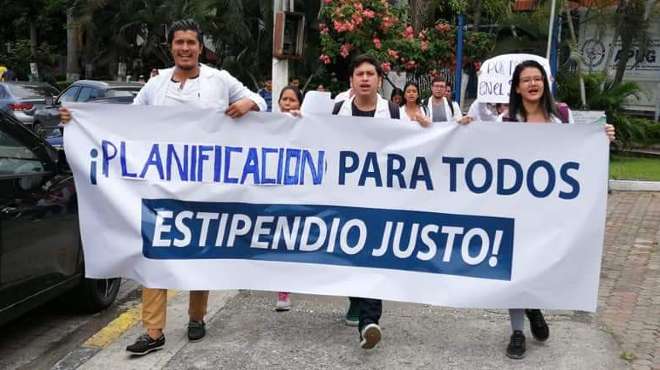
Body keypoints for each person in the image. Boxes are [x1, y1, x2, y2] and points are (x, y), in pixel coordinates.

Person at [59, 19, 266, 356]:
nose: (185, 48)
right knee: (155, 255)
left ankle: (197, 317)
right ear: (171, 47)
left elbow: (260, 101)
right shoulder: (155, 86)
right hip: (160, 190)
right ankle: (153, 331)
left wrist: (250, 104)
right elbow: (125, 123)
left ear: (200, 48)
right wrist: (79, 120)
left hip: (205, 189)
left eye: (191, 42)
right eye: (179, 42)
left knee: (200, 255)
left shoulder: (220, 80)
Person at [497, 60, 615, 359]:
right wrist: (466, 129)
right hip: (515, 210)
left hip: (551, 211)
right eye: (526, 80)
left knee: (540, 266)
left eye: (538, 79)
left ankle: (533, 306)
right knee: (515, 271)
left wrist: (602, 139)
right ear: (517, 87)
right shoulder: (505, 122)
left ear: (545, 84)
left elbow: (579, 154)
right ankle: (517, 331)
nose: (533, 84)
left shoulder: (562, 116)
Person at [332, 54, 400, 350]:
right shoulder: (337, 111)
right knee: (348, 254)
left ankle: (369, 322)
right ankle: (355, 300)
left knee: (374, 256)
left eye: (370, 74)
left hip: (380, 200)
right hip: (344, 198)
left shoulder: (395, 113)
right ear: (351, 81)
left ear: (378, 80)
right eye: (359, 74)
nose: (364, 79)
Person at [272, 85, 303, 312]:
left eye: (292, 100)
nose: (288, 103)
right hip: (275, 192)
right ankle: (282, 290)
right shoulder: (266, 125)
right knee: (280, 241)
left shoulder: (307, 124)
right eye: (284, 99)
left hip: (300, 192)